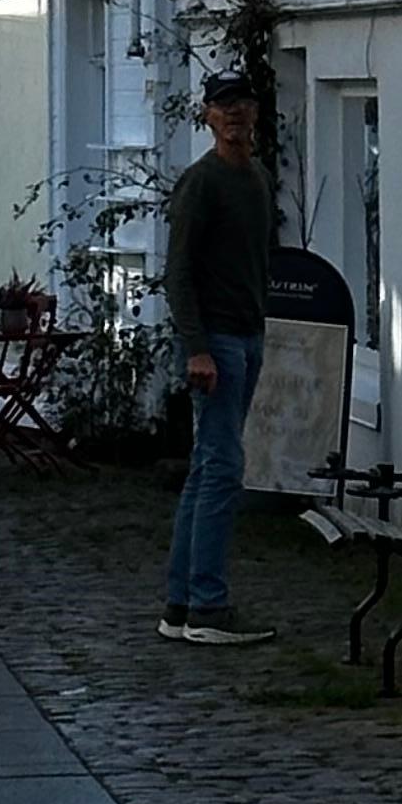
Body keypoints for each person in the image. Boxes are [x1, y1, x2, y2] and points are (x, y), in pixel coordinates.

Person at [159, 71, 276, 648]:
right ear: (206, 115)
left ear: (255, 113)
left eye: (243, 103)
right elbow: (177, 273)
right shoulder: (200, 184)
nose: (235, 114)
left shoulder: (256, 178)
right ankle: (207, 605)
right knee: (224, 467)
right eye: (223, 105)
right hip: (217, 344)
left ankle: (182, 604)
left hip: (248, 334)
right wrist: (197, 348)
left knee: (208, 468)